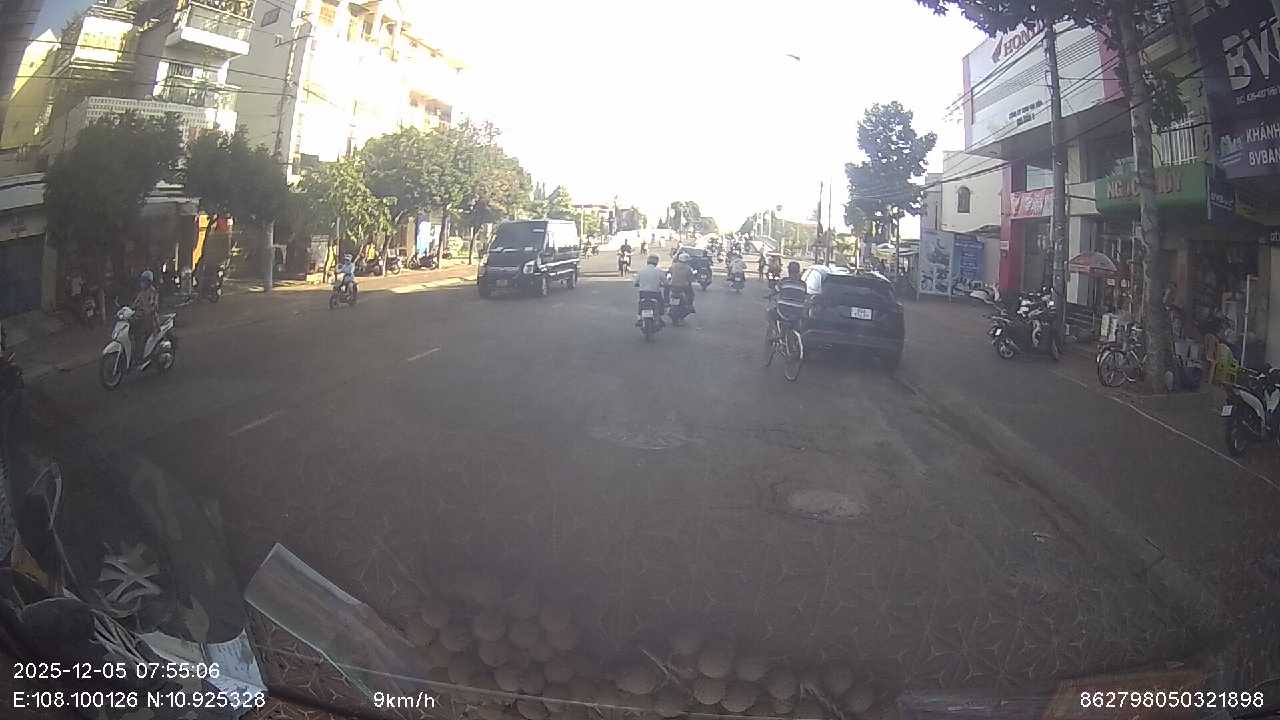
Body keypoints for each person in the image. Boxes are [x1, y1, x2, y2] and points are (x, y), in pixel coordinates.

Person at [767, 261, 810, 341]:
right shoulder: (803, 284)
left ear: (789, 271)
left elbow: (775, 291)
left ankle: (776, 333)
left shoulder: (784, 281)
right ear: (798, 271)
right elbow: (805, 296)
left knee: (770, 313)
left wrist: (769, 296)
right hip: (797, 312)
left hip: (783, 311)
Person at [131, 270, 160, 365]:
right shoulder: (141, 293)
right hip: (141, 319)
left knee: (140, 336)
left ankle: (141, 358)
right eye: (141, 281)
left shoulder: (153, 292)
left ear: (149, 282)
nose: (142, 283)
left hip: (151, 321)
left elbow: (152, 307)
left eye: (144, 281)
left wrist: (142, 312)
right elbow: (135, 304)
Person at [634, 254, 666, 326]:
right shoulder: (658, 271)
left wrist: (638, 284)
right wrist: (663, 285)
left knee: (641, 304)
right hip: (655, 293)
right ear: (656, 262)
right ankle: (659, 317)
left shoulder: (641, 270)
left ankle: (639, 318)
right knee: (661, 304)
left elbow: (635, 282)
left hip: (643, 293)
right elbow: (665, 282)